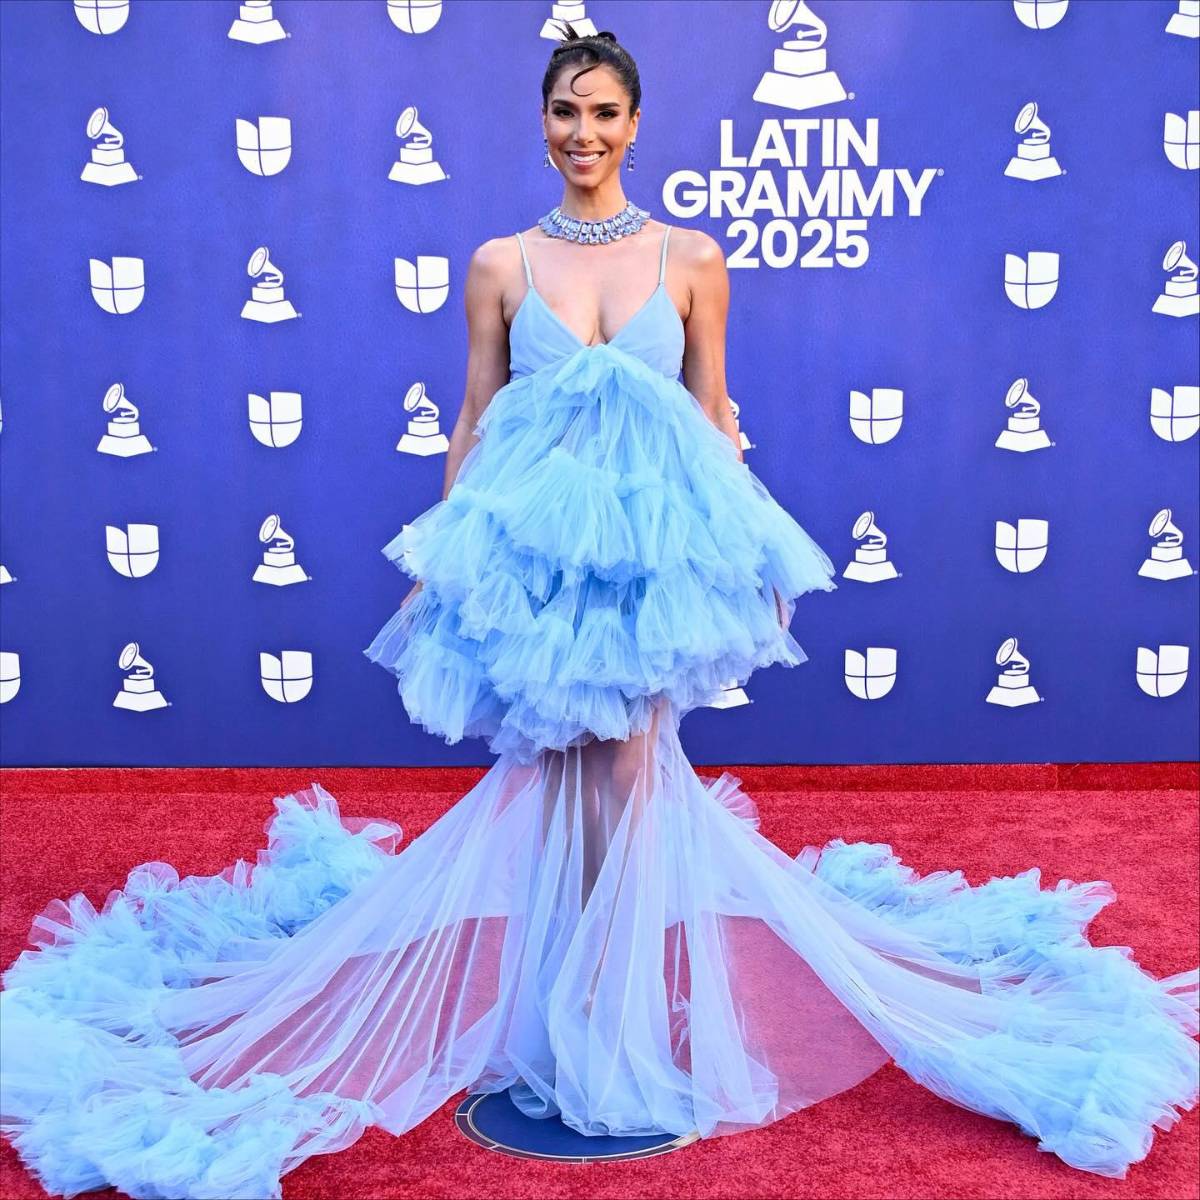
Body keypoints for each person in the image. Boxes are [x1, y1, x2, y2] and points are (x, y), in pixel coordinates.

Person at [2, 25, 1197, 1200]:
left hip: (648, 564)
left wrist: (750, 545)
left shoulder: (691, 258)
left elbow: (713, 412)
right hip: (535, 561)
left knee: (627, 771)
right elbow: (473, 415)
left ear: (636, 123)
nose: (585, 133)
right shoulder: (500, 263)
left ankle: (609, 1016)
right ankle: (578, 1006)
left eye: (605, 113)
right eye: (567, 112)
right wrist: (445, 553)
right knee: (566, 775)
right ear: (543, 121)